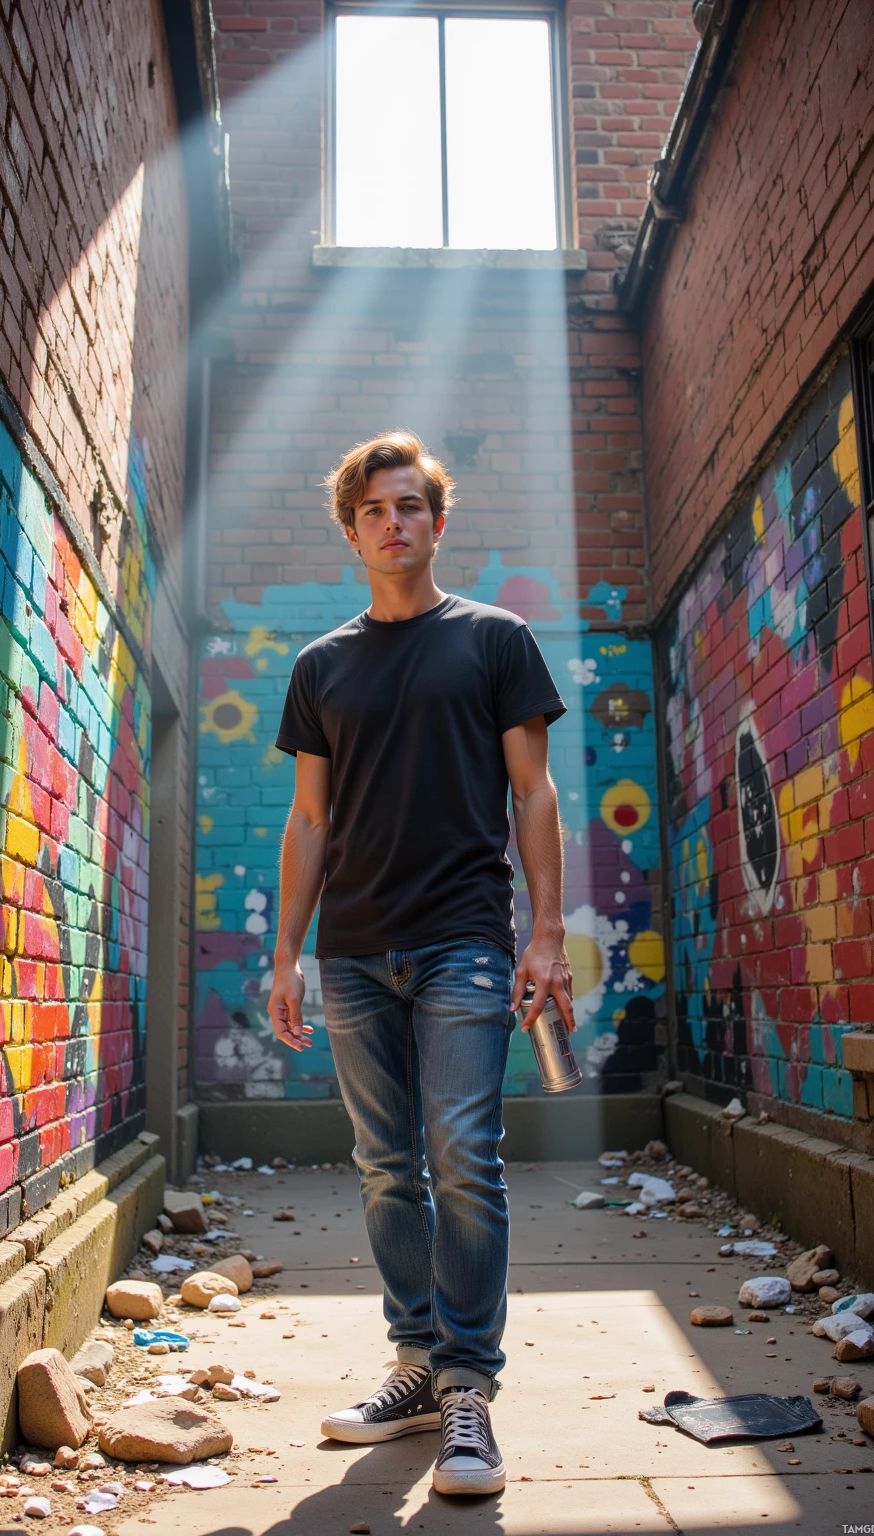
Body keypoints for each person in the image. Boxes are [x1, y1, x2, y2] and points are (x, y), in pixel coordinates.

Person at [267, 430, 574, 1497]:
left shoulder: (494, 640)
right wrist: (286, 955)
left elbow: (533, 792)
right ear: (351, 533)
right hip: (353, 952)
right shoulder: (320, 666)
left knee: (462, 1156)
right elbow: (309, 820)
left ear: (437, 523)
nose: (391, 523)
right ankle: (414, 1363)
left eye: (408, 506)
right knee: (385, 1165)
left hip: (463, 942)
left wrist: (546, 932)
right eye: (372, 511)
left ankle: (467, 1388)